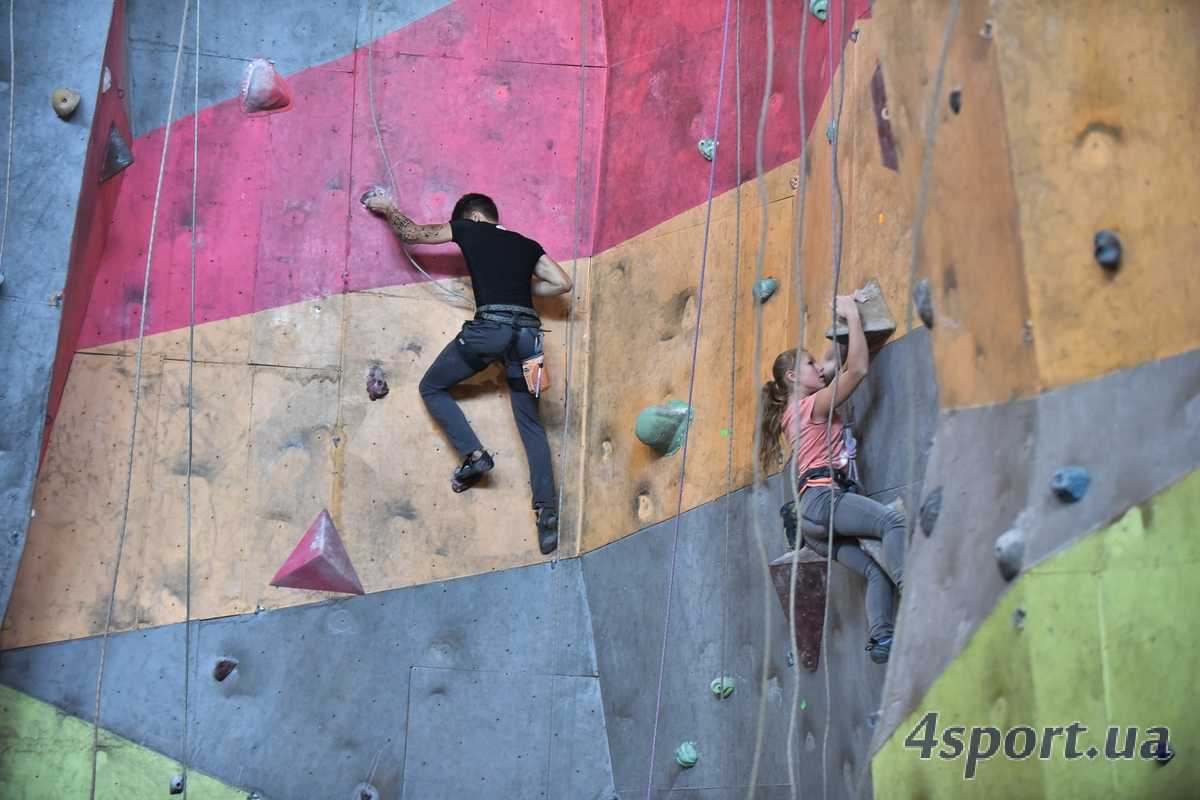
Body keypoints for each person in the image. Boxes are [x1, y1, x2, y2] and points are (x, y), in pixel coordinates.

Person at [363, 190, 573, 555]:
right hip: (531, 341)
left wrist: (386, 208)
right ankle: (547, 511)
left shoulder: (470, 228)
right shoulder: (527, 244)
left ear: (473, 218)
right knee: (531, 423)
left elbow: (413, 233)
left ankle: (475, 457)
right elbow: (562, 283)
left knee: (431, 387)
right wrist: (524, 288)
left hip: (490, 331)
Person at [759, 294, 905, 664]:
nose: (819, 370)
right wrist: (854, 314)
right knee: (892, 522)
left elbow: (832, 362)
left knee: (874, 572)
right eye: (809, 365)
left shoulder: (792, 412)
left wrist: (841, 323)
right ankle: (916, 592)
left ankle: (883, 640)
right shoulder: (812, 406)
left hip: (814, 523)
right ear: (793, 377)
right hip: (824, 501)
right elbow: (856, 370)